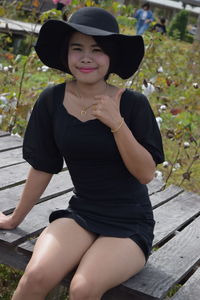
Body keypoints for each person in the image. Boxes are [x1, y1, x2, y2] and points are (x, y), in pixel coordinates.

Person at [0, 7, 164, 300]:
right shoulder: (51, 100)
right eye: (77, 48)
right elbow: (43, 166)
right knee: (35, 277)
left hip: (129, 223)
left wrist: (117, 123)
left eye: (97, 49)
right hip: (82, 212)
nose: (86, 57)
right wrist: (14, 219)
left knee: (83, 288)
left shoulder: (133, 104)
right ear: (66, 55)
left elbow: (146, 173)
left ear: (111, 57)